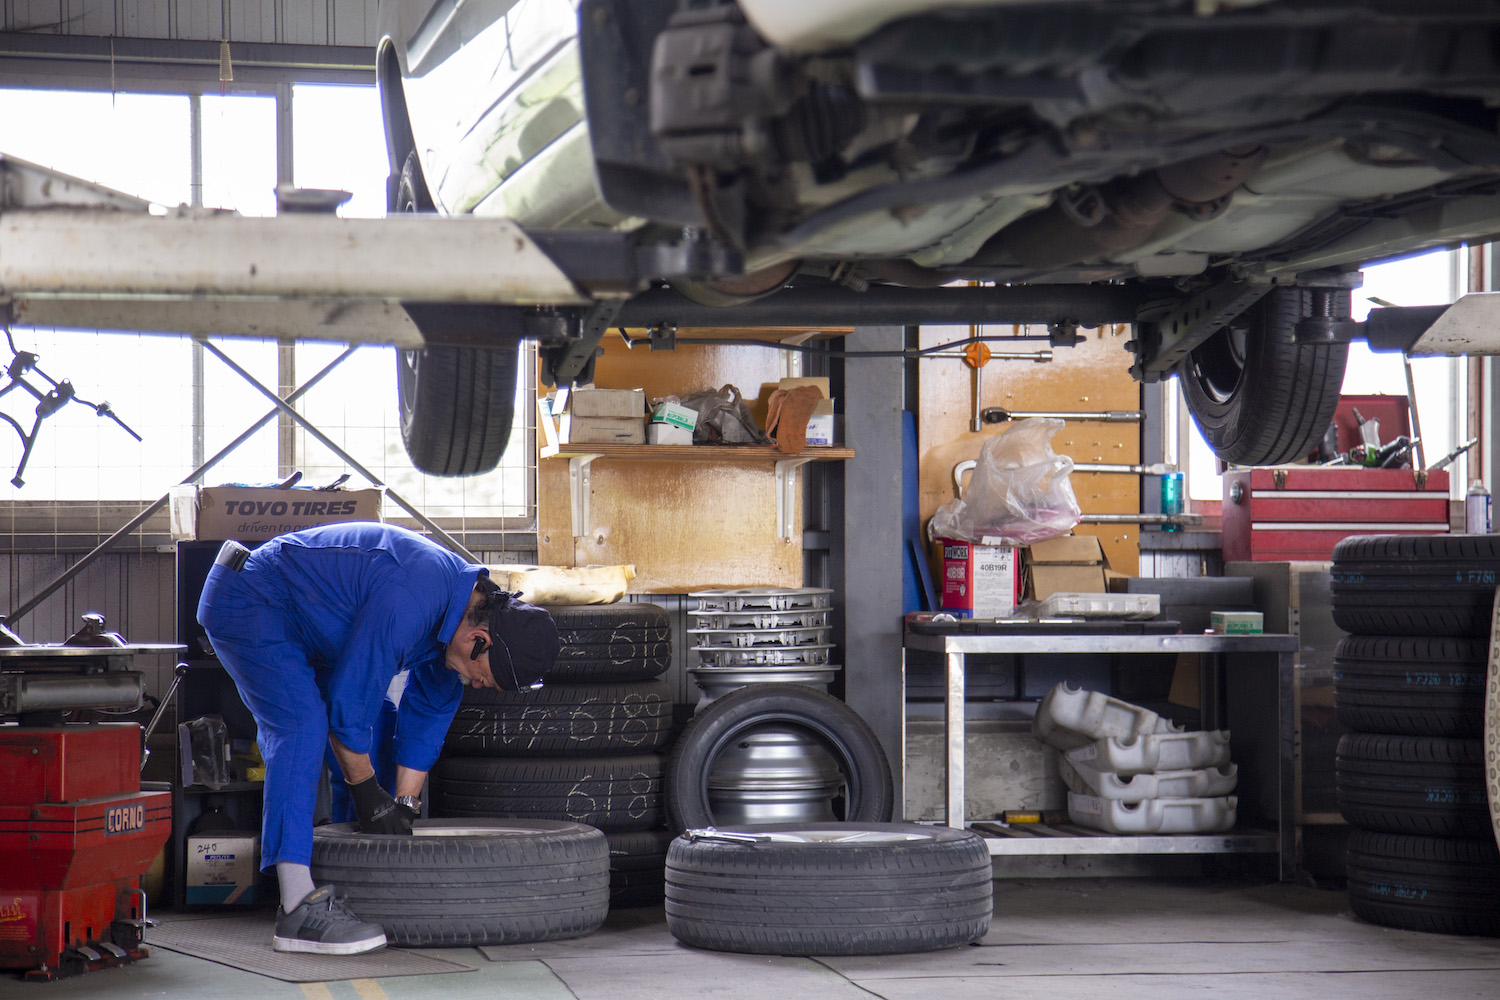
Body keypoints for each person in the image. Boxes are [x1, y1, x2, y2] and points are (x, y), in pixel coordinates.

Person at [197, 521, 558, 955]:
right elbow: (349, 708)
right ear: (478, 641)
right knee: (302, 726)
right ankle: (295, 908)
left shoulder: (462, 612)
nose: (478, 687)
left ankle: (352, 882)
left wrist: (402, 805)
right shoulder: (413, 597)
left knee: (381, 727)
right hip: (252, 598)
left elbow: (429, 712)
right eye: (484, 680)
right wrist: (368, 792)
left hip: (315, 625)